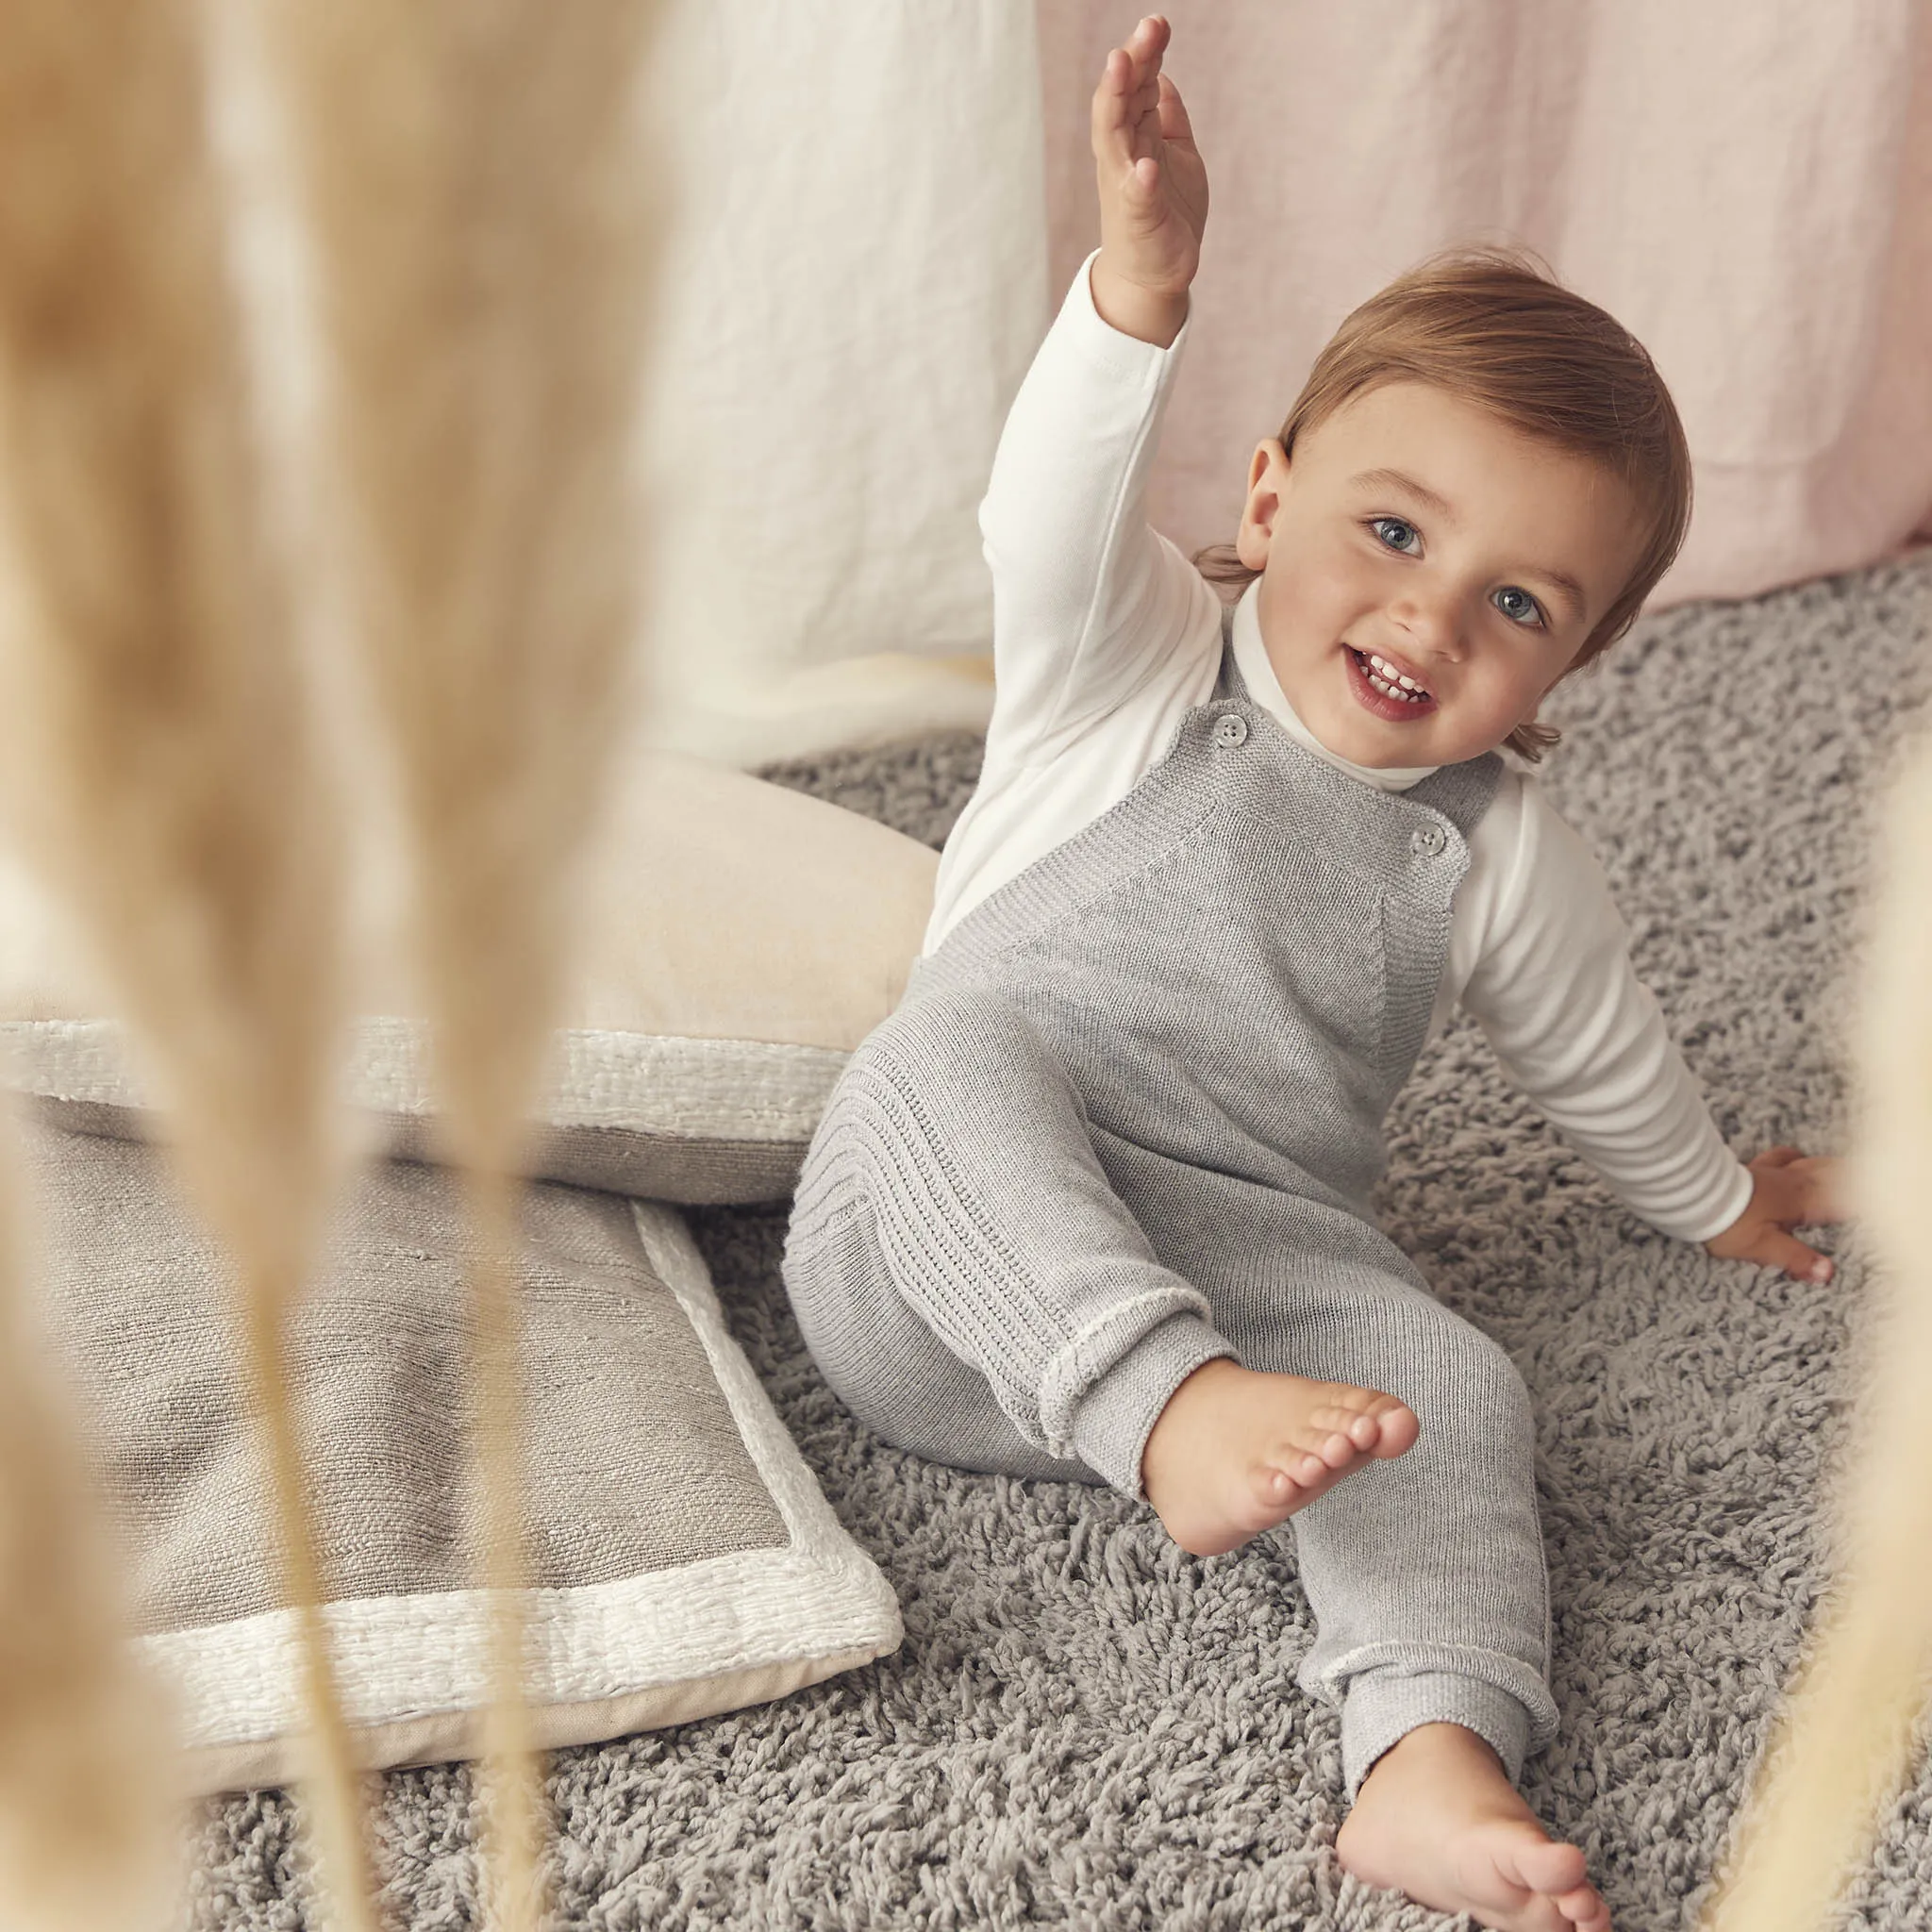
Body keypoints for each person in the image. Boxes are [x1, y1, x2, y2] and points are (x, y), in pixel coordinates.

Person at [782, 18, 1844, 1930]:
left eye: (1518, 602)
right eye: (1391, 530)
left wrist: (1709, 1199)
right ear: (1265, 500)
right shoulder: (1136, 661)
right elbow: (1041, 508)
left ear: (1572, 666)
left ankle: (1426, 1754)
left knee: (1446, 1377)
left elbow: (1598, 1061)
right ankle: (1156, 1409)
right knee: (937, 1053)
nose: (1430, 615)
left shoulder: (1501, 849)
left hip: (1246, 1258)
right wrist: (1140, 290)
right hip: (942, 1270)